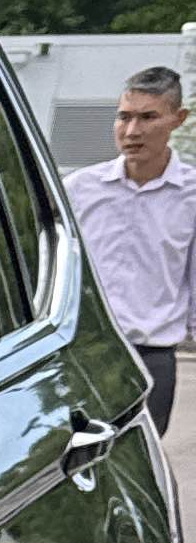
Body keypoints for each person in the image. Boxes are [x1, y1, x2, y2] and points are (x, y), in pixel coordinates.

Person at [67, 65, 195, 433]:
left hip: (150, 360)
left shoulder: (191, 196)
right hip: (81, 352)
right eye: (124, 117)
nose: (132, 130)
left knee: (138, 460)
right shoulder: (78, 190)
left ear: (178, 119)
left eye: (148, 117)